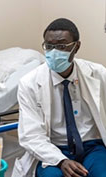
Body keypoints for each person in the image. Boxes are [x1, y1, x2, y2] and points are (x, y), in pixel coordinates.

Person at [11, 18, 106, 177]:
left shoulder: (98, 74)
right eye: (49, 46)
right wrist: (60, 160)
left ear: (76, 46)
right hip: (53, 148)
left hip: (92, 146)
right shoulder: (29, 83)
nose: (54, 52)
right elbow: (31, 135)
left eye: (62, 46)